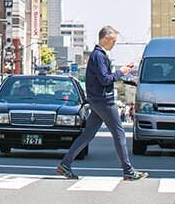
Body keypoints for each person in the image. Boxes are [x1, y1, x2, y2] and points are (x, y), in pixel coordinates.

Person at [56, 26, 147, 182]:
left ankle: (65, 164)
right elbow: (105, 79)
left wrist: (123, 73)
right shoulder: (99, 55)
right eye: (113, 41)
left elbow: (105, 77)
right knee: (119, 133)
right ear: (106, 38)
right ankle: (128, 171)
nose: (114, 44)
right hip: (104, 101)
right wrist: (122, 71)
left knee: (88, 134)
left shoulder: (98, 55)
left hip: (97, 101)